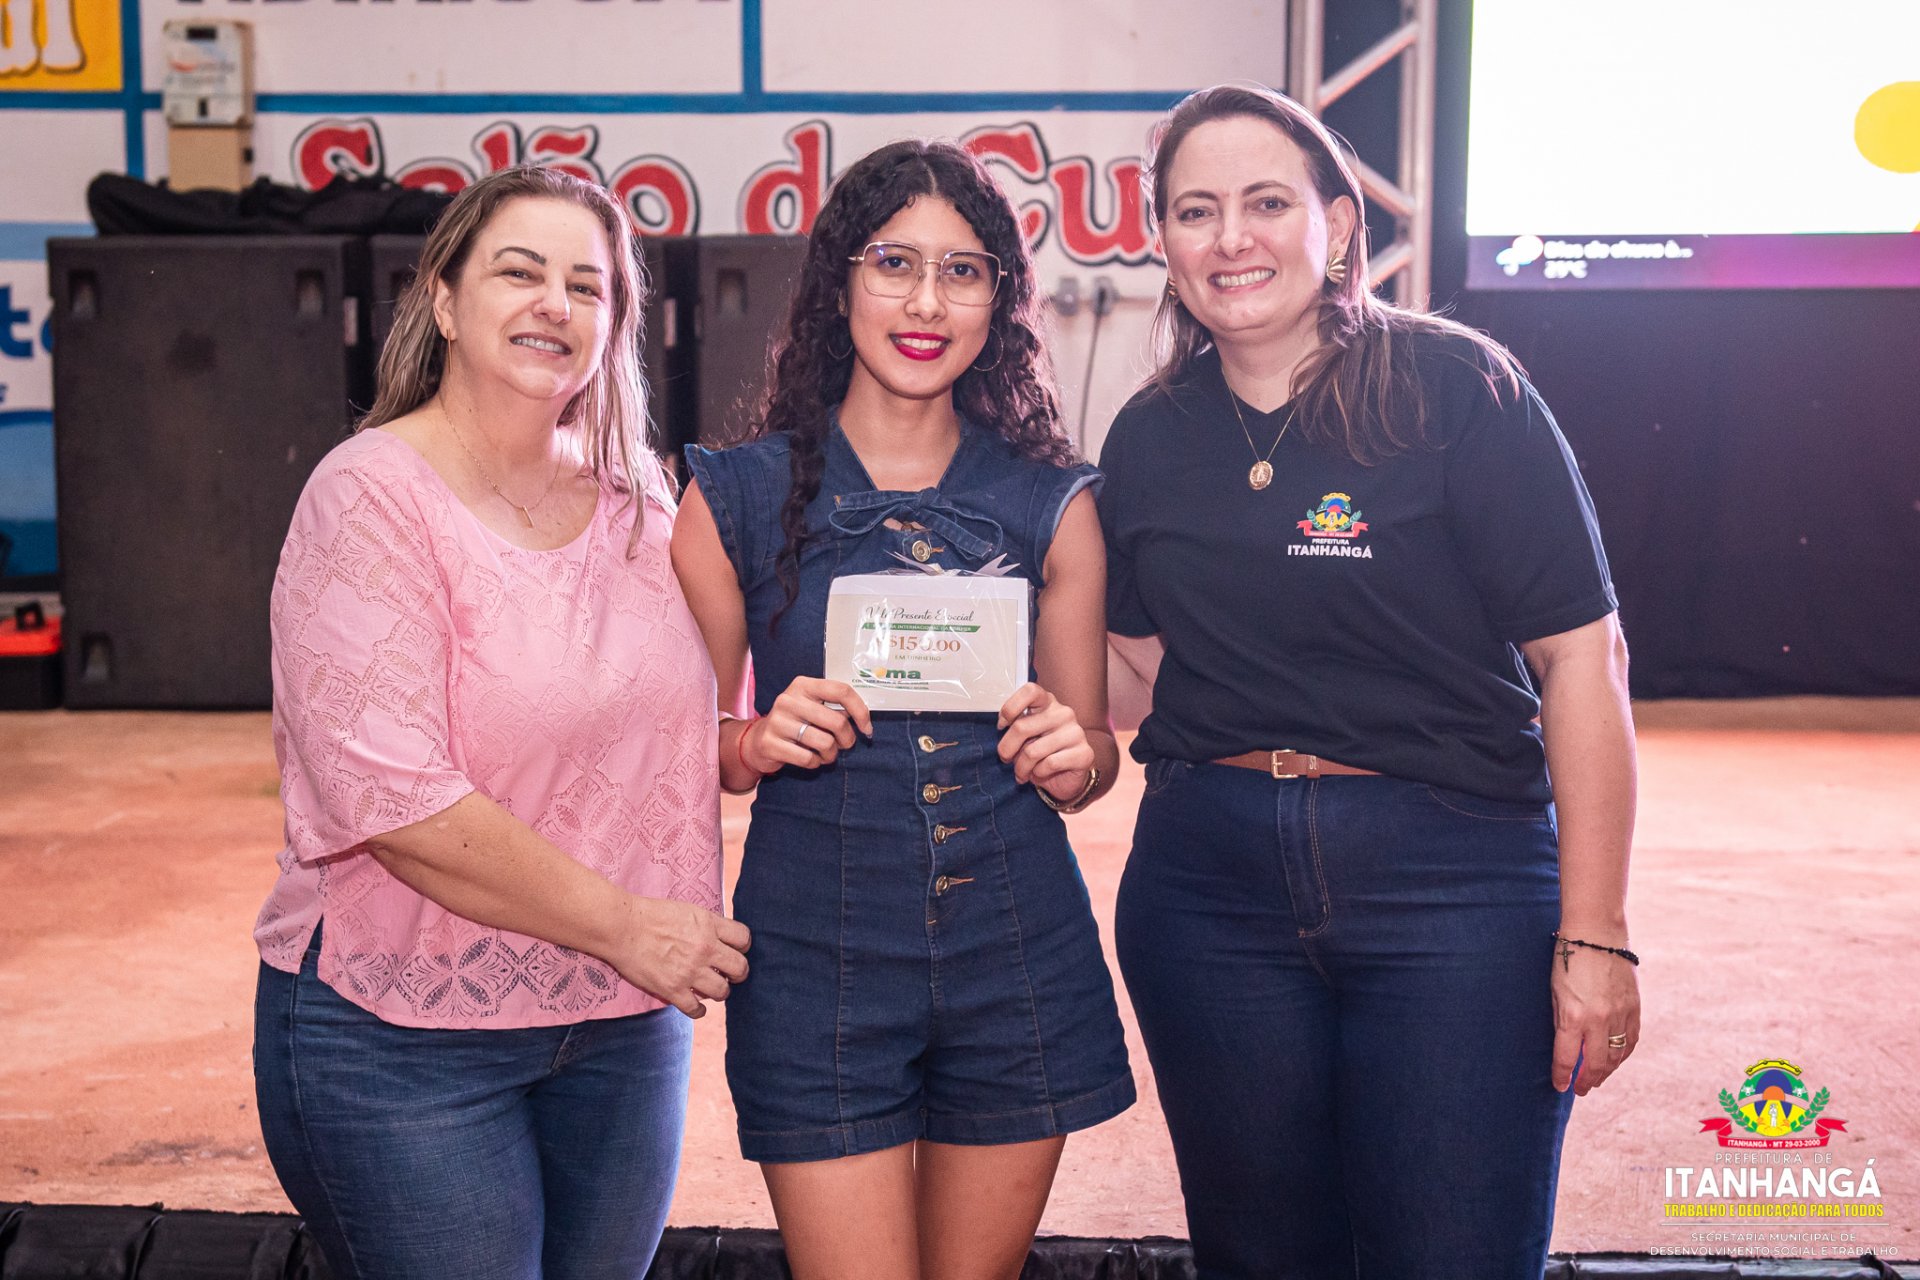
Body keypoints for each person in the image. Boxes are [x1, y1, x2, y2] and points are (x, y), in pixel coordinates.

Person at [1099, 85, 1640, 1280]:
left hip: (1454, 883)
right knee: (1261, 1257)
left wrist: (1598, 931)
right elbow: (1132, 672)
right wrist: (967, 637)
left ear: (1337, 223)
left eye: (1265, 202)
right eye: (1196, 210)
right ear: (1164, 241)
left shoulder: (1460, 389)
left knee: (1454, 1250)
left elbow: (1581, 658)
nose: (1230, 237)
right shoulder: (1147, 436)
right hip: (1207, 890)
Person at [252, 165, 751, 1280]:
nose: (554, 305)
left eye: (588, 285)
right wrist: (630, 925)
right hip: (401, 1038)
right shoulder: (368, 497)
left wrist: (776, 722)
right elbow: (397, 804)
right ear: (443, 299)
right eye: (519, 273)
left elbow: (706, 723)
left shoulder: (642, 497)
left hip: (621, 1026)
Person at [671, 139, 1134, 1280]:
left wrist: (1074, 756)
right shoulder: (731, 497)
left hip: (1015, 948)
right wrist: (753, 739)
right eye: (894, 263)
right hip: (813, 952)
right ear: (840, 284)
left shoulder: (1056, 503)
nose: (927, 302)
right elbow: (686, 745)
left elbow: (1094, 753)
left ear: (998, 302)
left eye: (962, 271)